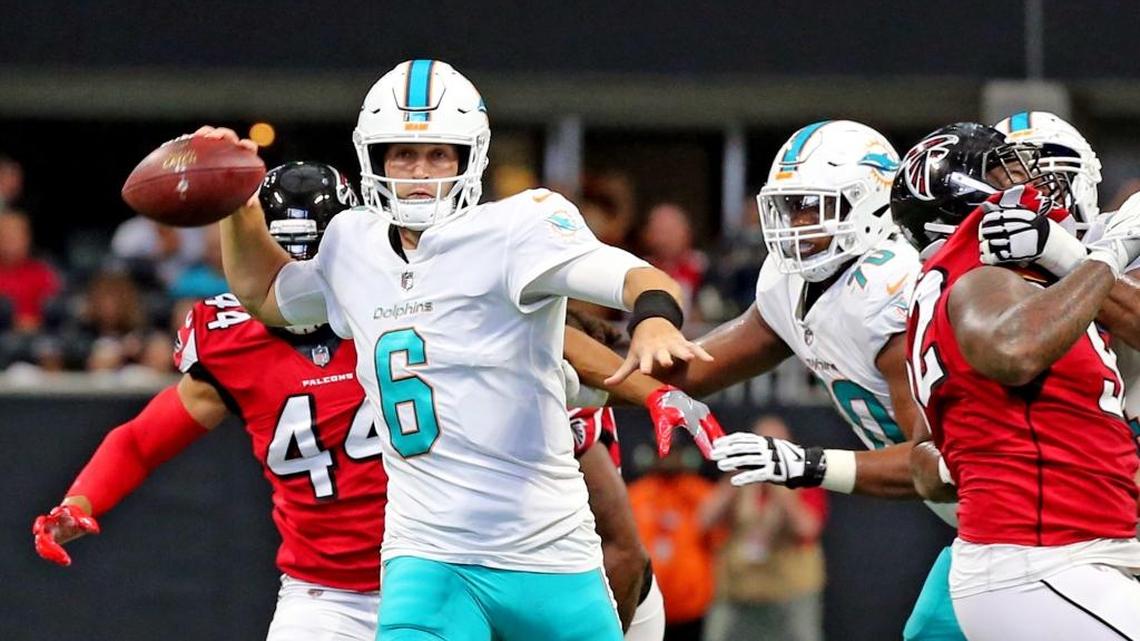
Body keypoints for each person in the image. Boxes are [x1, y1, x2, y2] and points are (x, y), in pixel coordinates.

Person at [213, 59, 714, 641]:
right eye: (402, 154)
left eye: (437, 155)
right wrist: (235, 204)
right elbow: (267, 294)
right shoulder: (352, 242)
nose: (419, 172)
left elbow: (639, 278)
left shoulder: (519, 229)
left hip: (549, 554)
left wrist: (654, 320)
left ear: (468, 158)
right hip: (426, 556)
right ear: (373, 160)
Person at [32, 162, 388, 641]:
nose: (297, 277)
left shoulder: (398, 313)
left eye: (313, 259)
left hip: (432, 570)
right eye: (280, 256)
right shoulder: (231, 342)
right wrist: (81, 499)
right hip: (323, 594)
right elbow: (141, 442)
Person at [641, 119, 961, 640]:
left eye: (815, 206)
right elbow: (690, 367)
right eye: (790, 206)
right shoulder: (791, 284)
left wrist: (803, 464)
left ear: (872, 203)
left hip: (1033, 516)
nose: (797, 223)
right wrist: (581, 376)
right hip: (982, 527)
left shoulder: (890, 286)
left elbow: (941, 462)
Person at [893, 122, 1140, 640]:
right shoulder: (979, 274)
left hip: (1066, 550)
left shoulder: (985, 276)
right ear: (964, 192)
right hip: (1038, 559)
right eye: (1007, 168)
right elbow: (1012, 351)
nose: (1033, 181)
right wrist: (1107, 255)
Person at [701, 416, 827, 641]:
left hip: (790, 593)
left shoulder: (805, 482)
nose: (767, 452)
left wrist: (780, 485)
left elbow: (807, 529)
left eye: (775, 445)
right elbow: (704, 519)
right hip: (740, 591)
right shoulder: (739, 481)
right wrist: (736, 476)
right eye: (761, 444)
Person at [0, 208, 61, 331]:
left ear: (28, 239)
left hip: (40, 336)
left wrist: (32, 324)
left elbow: (55, 310)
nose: (11, 243)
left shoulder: (44, 272)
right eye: (6, 236)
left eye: (17, 236)